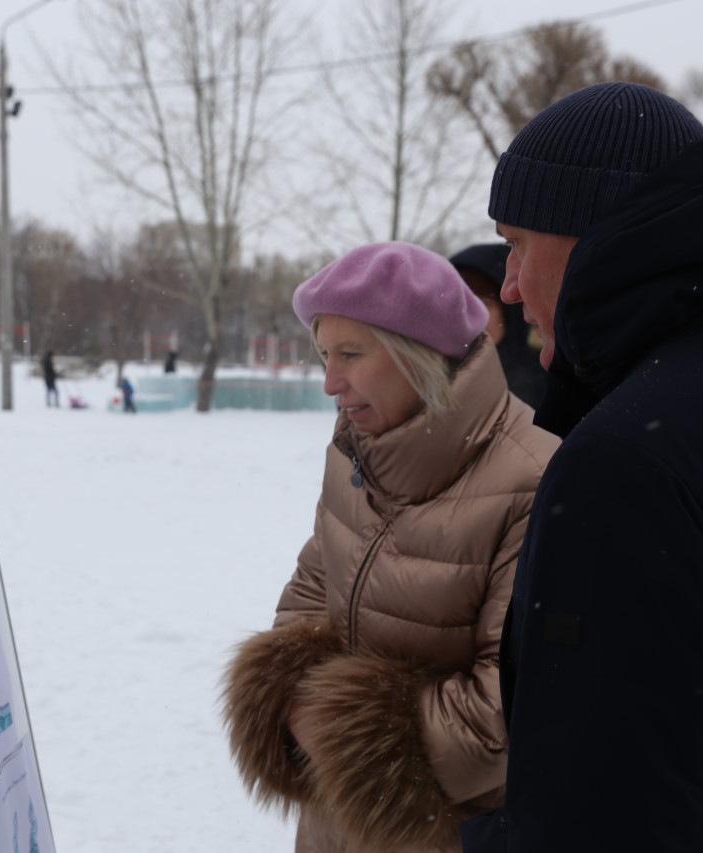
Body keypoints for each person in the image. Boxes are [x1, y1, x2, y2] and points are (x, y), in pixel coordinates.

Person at [461, 82, 703, 852]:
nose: (513, 284)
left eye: (521, 244)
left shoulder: (630, 462)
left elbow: (605, 823)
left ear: (599, 236)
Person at [222, 242, 559, 853]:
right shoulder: (355, 453)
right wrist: (294, 692)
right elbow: (309, 589)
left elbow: (508, 710)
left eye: (351, 354)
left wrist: (334, 730)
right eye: (324, 355)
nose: (329, 382)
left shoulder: (533, 481)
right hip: (333, 825)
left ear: (420, 355)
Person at [448, 244, 548, 409]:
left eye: (483, 304)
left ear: (512, 312)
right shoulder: (424, 379)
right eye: (456, 304)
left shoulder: (551, 387)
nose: (465, 315)